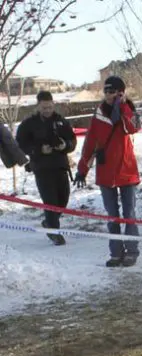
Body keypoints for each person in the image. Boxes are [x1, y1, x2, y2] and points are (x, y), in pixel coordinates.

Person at [74, 75, 141, 268]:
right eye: (106, 91)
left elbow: (132, 128)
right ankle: (116, 252)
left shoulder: (128, 110)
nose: (109, 95)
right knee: (112, 216)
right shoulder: (98, 115)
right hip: (105, 173)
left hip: (126, 170)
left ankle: (132, 251)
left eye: (113, 92)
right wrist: (82, 170)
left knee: (129, 214)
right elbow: (89, 144)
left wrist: (122, 106)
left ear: (121, 93)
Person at [15, 91, 77, 246]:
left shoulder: (60, 121)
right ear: (38, 106)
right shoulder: (29, 124)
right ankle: (54, 233)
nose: (47, 110)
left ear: (53, 104)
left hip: (60, 166)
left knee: (62, 201)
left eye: (49, 107)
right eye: (44, 108)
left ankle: (49, 222)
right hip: (42, 168)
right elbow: (21, 144)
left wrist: (65, 145)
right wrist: (39, 150)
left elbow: (72, 140)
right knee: (50, 201)